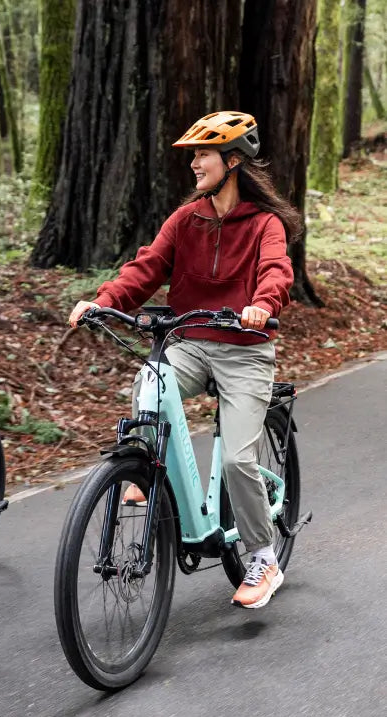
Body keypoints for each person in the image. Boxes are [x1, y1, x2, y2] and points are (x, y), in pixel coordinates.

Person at [68, 110, 301, 610]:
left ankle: (263, 556)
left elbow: (276, 271)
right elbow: (146, 266)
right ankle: (150, 474)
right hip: (193, 341)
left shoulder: (266, 224)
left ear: (233, 161)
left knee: (239, 459)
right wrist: (103, 302)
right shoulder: (186, 219)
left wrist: (263, 304)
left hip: (245, 350)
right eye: (193, 154)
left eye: (203, 154)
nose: (194, 163)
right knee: (151, 379)